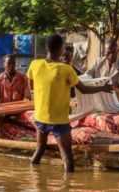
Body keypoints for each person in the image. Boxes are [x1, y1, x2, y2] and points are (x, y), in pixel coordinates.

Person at [27, 34, 112, 173]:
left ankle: (33, 178)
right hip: (58, 120)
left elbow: (31, 86)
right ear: (61, 49)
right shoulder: (66, 69)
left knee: (40, 149)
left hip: (40, 117)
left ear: (47, 47)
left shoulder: (35, 65)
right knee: (67, 158)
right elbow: (84, 90)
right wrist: (103, 87)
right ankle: (67, 187)